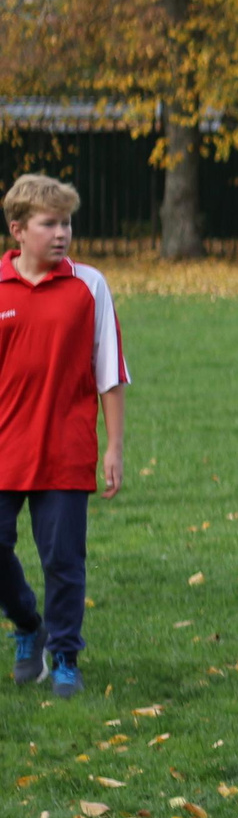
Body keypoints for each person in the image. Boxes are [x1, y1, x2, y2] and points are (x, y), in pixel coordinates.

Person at [1, 174, 128, 700]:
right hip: (5, 448)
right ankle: (29, 624)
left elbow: (110, 372)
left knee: (64, 561)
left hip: (66, 449)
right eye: (48, 223)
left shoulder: (89, 286)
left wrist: (115, 447)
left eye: (67, 223)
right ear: (18, 231)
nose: (61, 234)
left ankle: (65, 655)